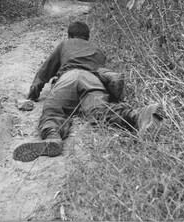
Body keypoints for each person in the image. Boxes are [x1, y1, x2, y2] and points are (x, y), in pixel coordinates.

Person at [13, 21, 165, 162]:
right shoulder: (97, 50)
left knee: (53, 110)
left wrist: (34, 93)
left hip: (69, 77)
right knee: (98, 111)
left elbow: (45, 70)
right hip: (93, 80)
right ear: (88, 37)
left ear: (69, 35)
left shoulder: (65, 44)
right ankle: (137, 115)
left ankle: (52, 136)